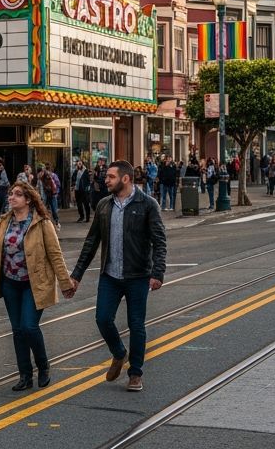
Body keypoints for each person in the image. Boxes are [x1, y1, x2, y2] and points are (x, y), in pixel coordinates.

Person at [0, 181, 75, 390]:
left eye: (17, 195)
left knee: (29, 327)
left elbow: (55, 255)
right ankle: (25, 375)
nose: (11, 197)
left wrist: (65, 283)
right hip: (10, 284)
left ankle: (43, 367)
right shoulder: (3, 222)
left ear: (28, 199)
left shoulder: (42, 224)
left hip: (35, 284)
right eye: (11, 194)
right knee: (17, 330)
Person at [70, 160, 167, 393]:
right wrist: (76, 275)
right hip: (110, 275)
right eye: (106, 176)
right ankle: (119, 353)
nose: (106, 180)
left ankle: (135, 373)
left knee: (136, 325)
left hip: (137, 275)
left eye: (111, 177)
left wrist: (158, 272)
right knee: (102, 318)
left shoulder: (147, 204)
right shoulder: (104, 205)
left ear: (125, 179)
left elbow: (159, 241)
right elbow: (91, 242)